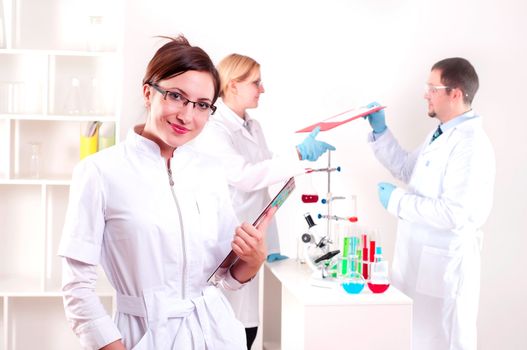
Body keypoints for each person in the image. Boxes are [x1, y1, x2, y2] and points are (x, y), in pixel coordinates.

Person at [58, 35, 276, 350]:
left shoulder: (210, 172)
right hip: (143, 336)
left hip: (215, 334)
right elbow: (77, 289)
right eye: (176, 96)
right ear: (148, 93)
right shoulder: (100, 172)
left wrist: (254, 259)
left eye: (202, 105)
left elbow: (226, 276)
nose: (187, 116)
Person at [192, 53, 335, 349]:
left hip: (256, 232)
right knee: (228, 324)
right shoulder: (214, 128)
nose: (262, 89)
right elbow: (245, 176)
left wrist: (301, 159)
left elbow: (266, 167)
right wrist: (296, 157)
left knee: (249, 324)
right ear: (233, 85)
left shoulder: (252, 126)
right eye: (256, 83)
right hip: (229, 237)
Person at [364, 57, 495, 350]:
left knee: (441, 341)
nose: (426, 94)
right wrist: (381, 133)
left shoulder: (470, 145)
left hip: (444, 271)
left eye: (432, 88)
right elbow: (408, 170)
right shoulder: (441, 134)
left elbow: (454, 214)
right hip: (418, 263)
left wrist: (396, 201)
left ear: (455, 93)